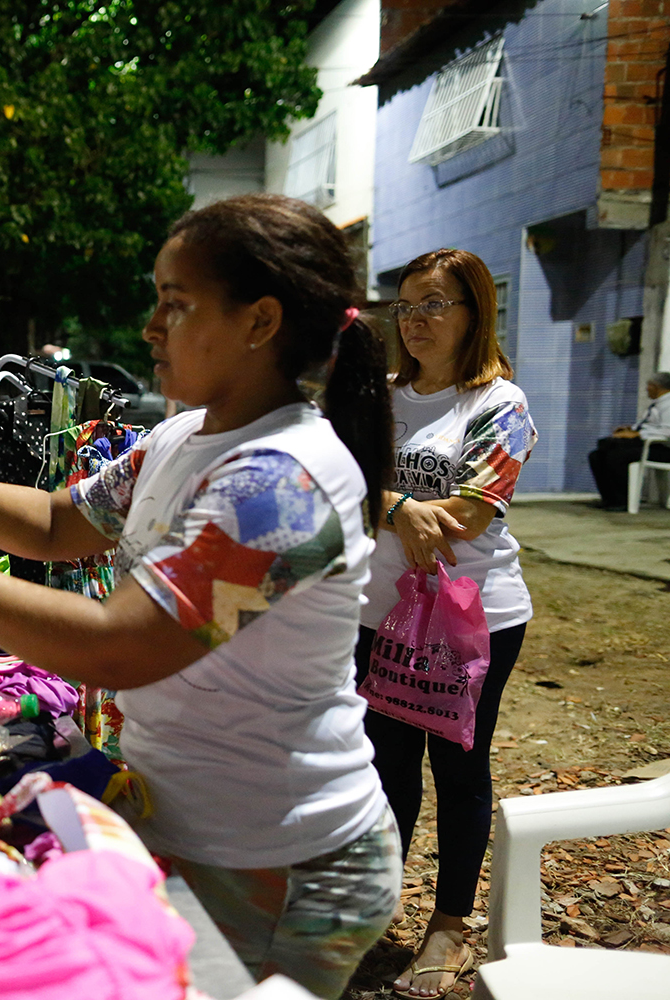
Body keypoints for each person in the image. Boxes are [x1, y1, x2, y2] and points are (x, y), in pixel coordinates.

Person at [0, 194, 401, 998]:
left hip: (284, 861)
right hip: (193, 827)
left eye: (175, 304)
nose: (149, 327)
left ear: (260, 321)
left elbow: (122, 647)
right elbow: (58, 522)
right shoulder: (181, 437)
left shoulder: (282, 484)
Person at [359, 248, 536, 999]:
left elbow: (466, 518)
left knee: (458, 768)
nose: (415, 320)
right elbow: (339, 484)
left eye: (434, 304)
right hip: (378, 612)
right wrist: (399, 507)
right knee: (385, 765)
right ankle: (374, 908)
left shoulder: (501, 405)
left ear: (475, 312)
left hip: (473, 618)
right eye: (406, 306)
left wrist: (383, 501)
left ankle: (451, 924)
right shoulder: (382, 396)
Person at [587, 370, 670, 510]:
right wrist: (630, 428)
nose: (646, 389)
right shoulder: (657, 404)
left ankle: (622, 501)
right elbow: (651, 425)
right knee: (597, 455)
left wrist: (638, 434)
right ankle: (609, 499)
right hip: (650, 445)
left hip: (663, 449)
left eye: (649, 385)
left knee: (616, 456)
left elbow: (667, 431)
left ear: (657, 386)